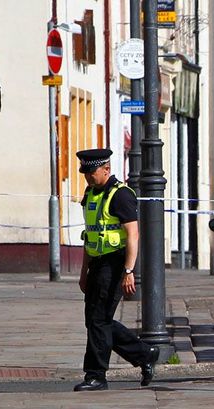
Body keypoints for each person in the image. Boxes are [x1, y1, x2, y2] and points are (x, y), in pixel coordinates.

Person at [73, 148, 159, 391]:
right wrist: (83, 272)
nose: (88, 177)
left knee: (98, 320)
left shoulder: (121, 195)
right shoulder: (90, 194)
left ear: (106, 169)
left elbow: (133, 234)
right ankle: (144, 355)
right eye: (85, 173)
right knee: (96, 321)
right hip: (97, 264)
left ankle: (96, 375)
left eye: (92, 172)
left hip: (115, 263)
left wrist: (129, 271)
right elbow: (90, 236)